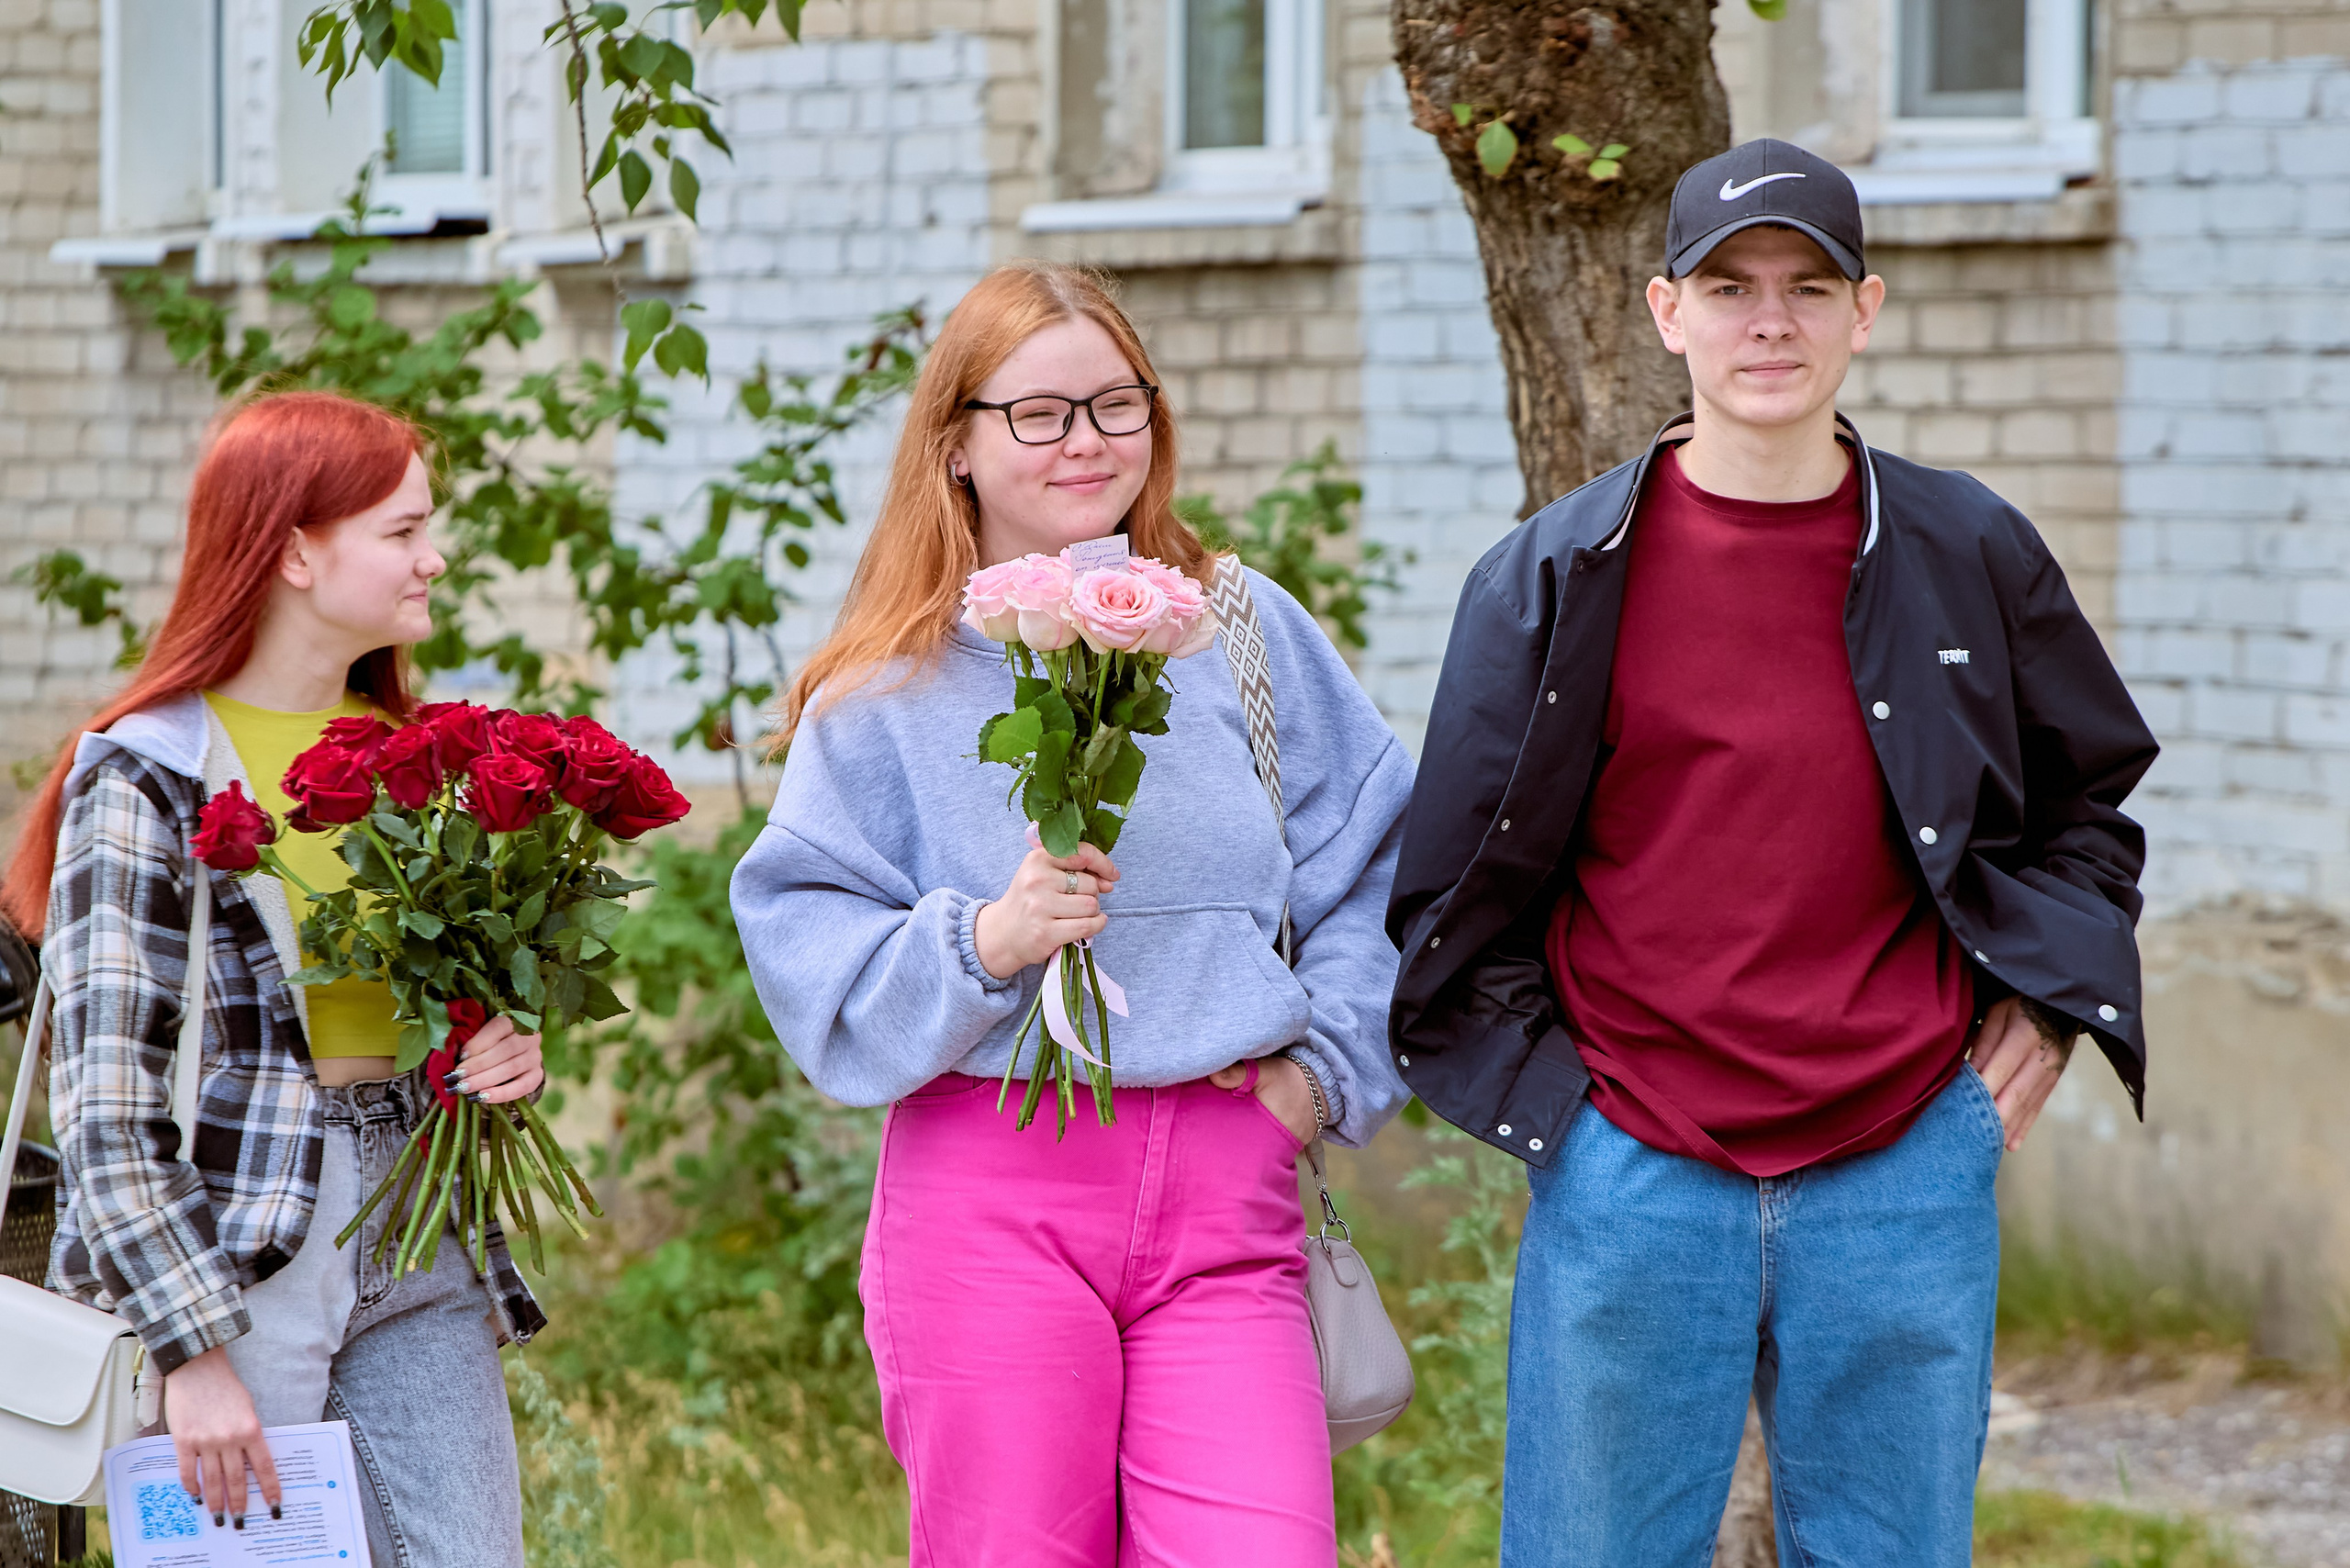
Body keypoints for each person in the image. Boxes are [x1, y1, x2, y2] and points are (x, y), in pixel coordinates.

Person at [1386, 140, 2160, 1564]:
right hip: (1634, 1166)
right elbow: (1453, 876)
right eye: (1729, 287)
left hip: (1902, 1162)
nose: (1770, 323)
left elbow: (2089, 807)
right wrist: (1566, 1116)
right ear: (1665, 312)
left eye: (1808, 287)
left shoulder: (1969, 551)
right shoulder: (1557, 574)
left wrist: (2048, 1011)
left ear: (1865, 311)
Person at [731, 261, 1414, 1567]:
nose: (1086, 440)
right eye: (1039, 413)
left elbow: (1377, 869)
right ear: (957, 444)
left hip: (1229, 1184)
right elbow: (805, 936)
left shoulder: (1242, 632)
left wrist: (1321, 1079)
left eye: (1117, 403)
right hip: (990, 1192)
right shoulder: (885, 689)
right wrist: (982, 941)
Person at [3, 390, 545, 1564]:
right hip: (237, 1239)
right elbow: (105, 1106)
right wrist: (191, 1348)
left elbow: (428, 1009)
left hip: (420, 1212)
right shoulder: (147, 774)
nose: (435, 557)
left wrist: (499, 1050)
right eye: (403, 531)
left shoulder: (412, 759)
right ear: (296, 550)